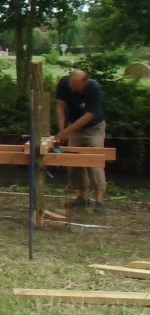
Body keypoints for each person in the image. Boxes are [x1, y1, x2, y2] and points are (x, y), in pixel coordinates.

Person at [55, 69, 107, 212]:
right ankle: (82, 197)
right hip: (74, 128)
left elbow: (89, 115)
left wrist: (67, 132)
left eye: (75, 85)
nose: (72, 88)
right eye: (71, 84)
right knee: (74, 162)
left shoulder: (94, 88)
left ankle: (99, 200)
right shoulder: (64, 84)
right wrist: (62, 130)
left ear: (85, 82)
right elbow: (60, 107)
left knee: (95, 161)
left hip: (94, 128)